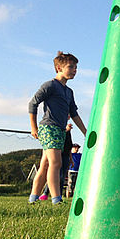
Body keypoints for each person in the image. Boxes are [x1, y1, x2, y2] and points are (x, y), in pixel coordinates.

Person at [28, 51, 87, 205]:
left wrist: (86, 132)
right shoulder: (50, 86)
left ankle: (33, 198)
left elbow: (74, 114)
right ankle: (56, 199)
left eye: (76, 67)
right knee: (56, 163)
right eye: (71, 67)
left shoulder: (69, 92)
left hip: (61, 130)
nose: (75, 70)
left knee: (46, 164)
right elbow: (32, 103)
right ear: (59, 68)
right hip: (48, 128)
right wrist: (34, 127)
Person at [40, 122, 73, 200]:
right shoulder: (58, 127)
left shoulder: (67, 132)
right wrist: (66, 130)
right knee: (55, 174)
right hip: (58, 153)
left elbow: (69, 147)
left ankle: (59, 195)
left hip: (66, 155)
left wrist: (71, 159)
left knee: (62, 176)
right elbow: (56, 139)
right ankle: (46, 193)